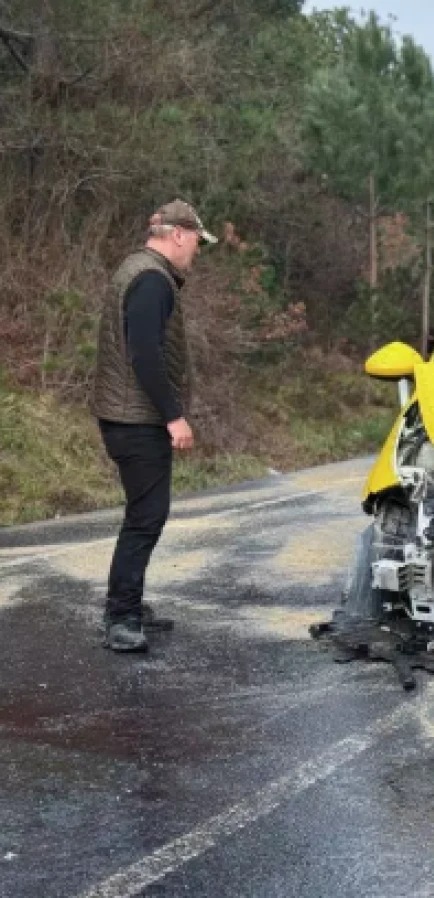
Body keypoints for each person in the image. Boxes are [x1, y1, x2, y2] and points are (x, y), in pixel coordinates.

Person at [89, 200, 216, 652]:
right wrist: (173, 415)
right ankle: (121, 618)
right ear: (179, 234)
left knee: (143, 515)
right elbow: (144, 352)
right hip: (136, 420)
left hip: (124, 415)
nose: (197, 251)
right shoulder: (152, 280)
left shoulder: (138, 269)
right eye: (197, 242)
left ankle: (128, 604)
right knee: (146, 518)